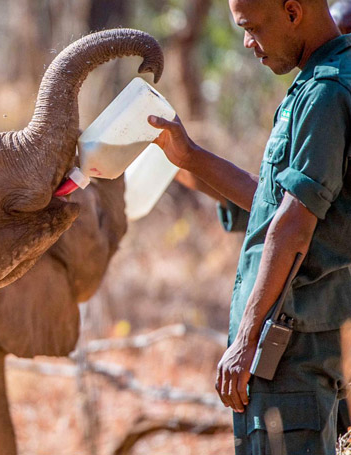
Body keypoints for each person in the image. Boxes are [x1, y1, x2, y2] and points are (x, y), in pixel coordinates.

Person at [148, 0, 351, 453]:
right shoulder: (319, 85)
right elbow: (273, 201)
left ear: (293, 12)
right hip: (308, 350)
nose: (247, 42)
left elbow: (293, 224)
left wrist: (245, 339)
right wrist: (189, 157)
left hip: (291, 358)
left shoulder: (326, 93)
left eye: (252, 27)